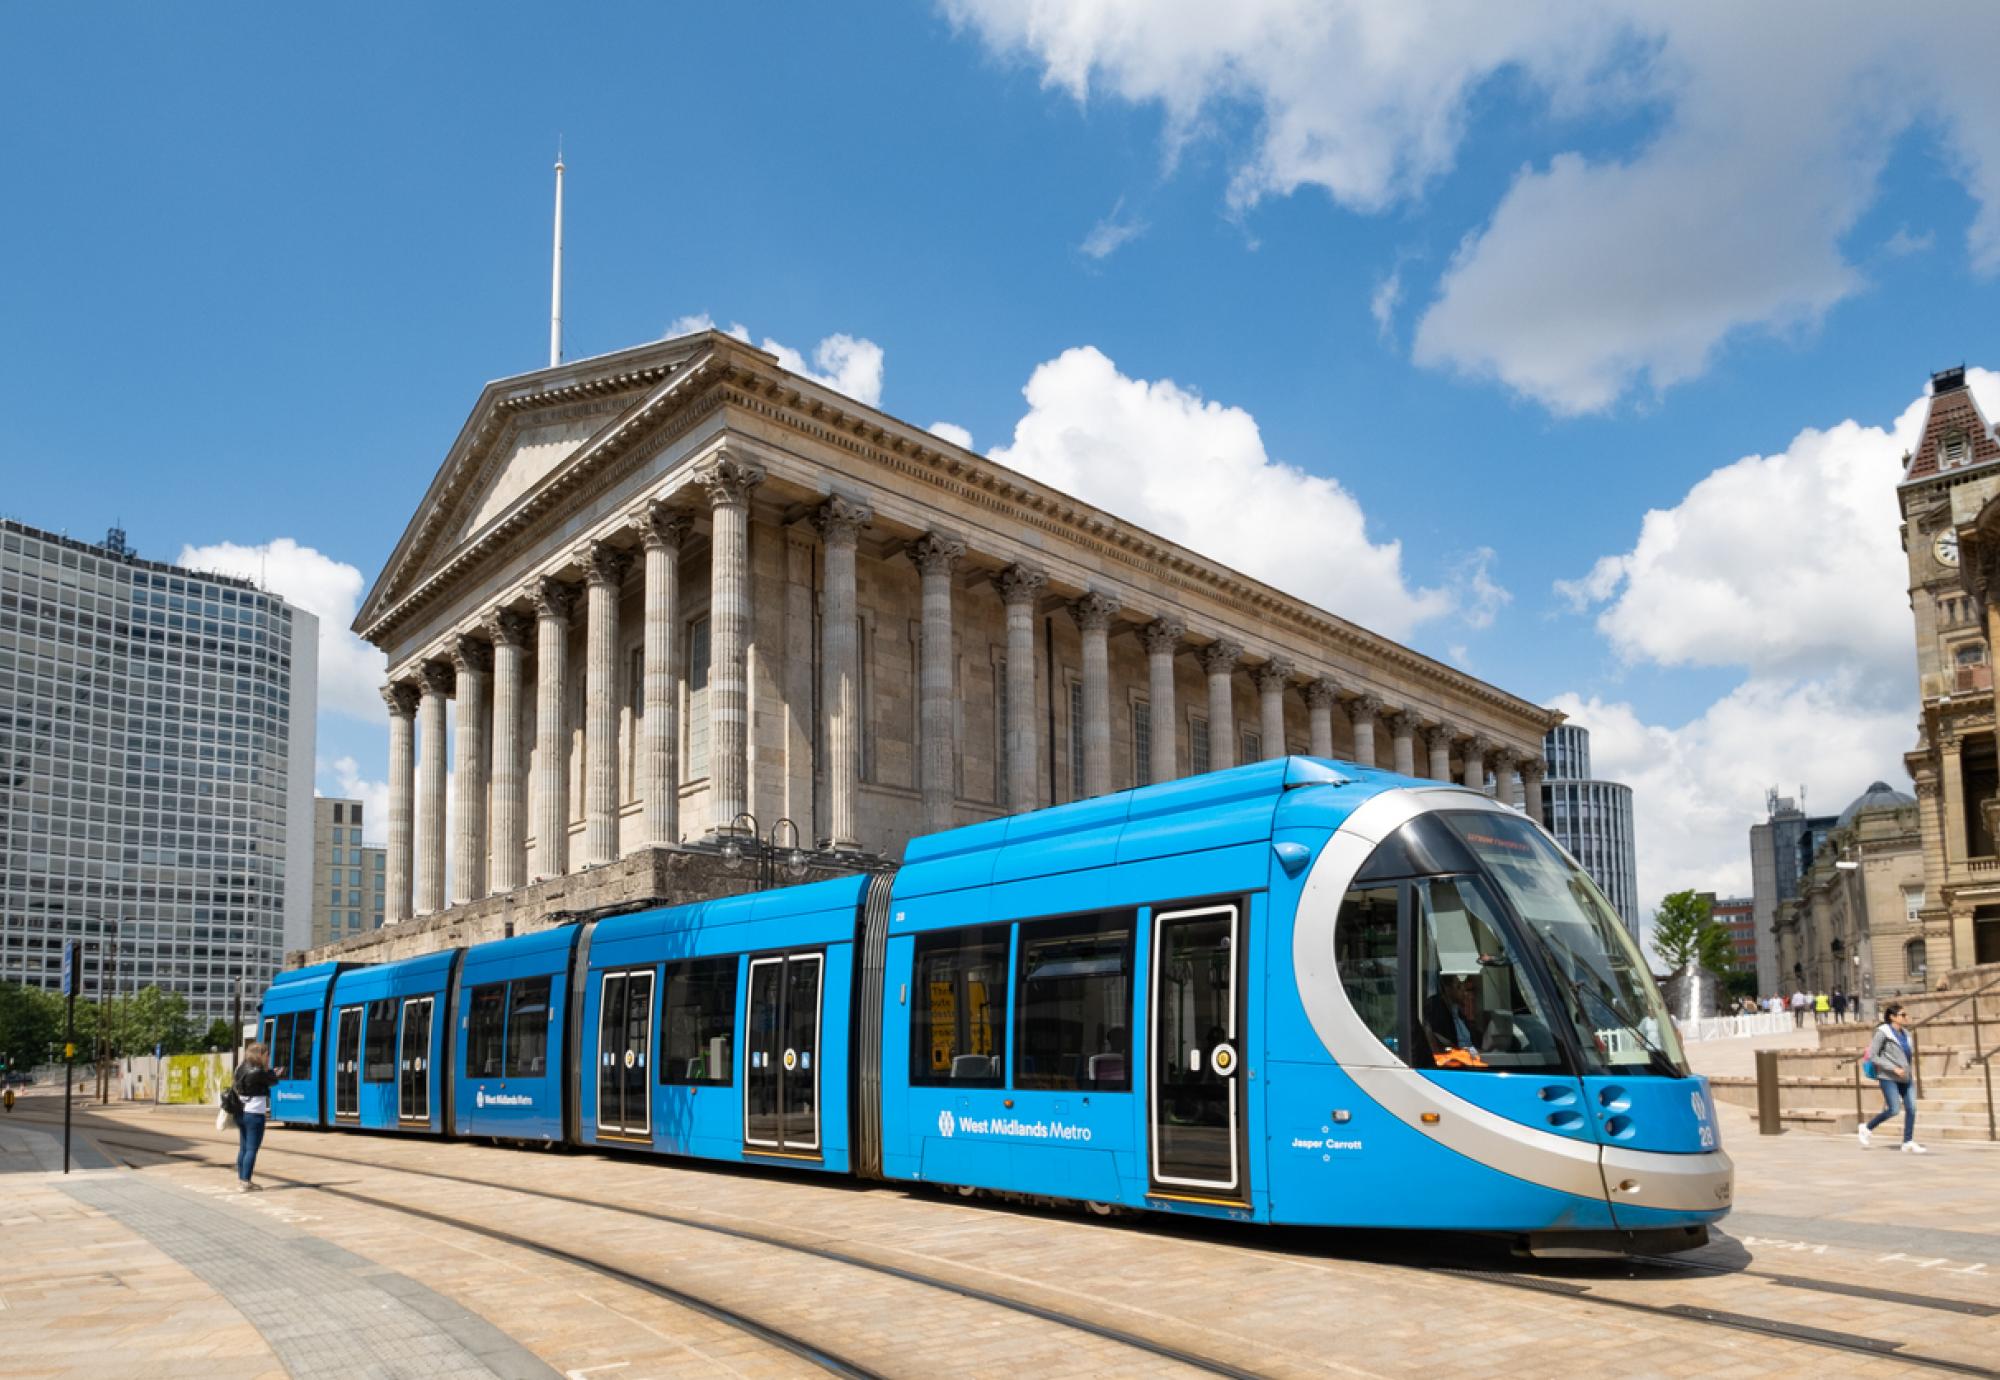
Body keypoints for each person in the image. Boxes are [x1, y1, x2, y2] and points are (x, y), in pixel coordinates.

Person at [1859, 1003, 1925, 1154]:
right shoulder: (1883, 1033)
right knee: (1894, 1109)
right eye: (1902, 1015)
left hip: (1905, 1077)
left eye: (1905, 1014)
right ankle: (1867, 1128)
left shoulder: (1906, 1034)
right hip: (1888, 1077)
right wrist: (1893, 1068)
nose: (1906, 1017)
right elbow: (1873, 1056)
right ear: (1892, 1017)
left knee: (1911, 1108)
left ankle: (1907, 1141)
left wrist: (1906, 1071)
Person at [232, 1041, 285, 1191]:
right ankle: (246, 1182)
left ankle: (242, 1179)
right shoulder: (257, 1071)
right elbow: (273, 1081)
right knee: (251, 1149)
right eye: (267, 1055)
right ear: (260, 1055)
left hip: (240, 1112)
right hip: (254, 1114)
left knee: (243, 1148)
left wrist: (268, 1072)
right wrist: (272, 1071)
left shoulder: (240, 1068)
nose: (268, 1058)